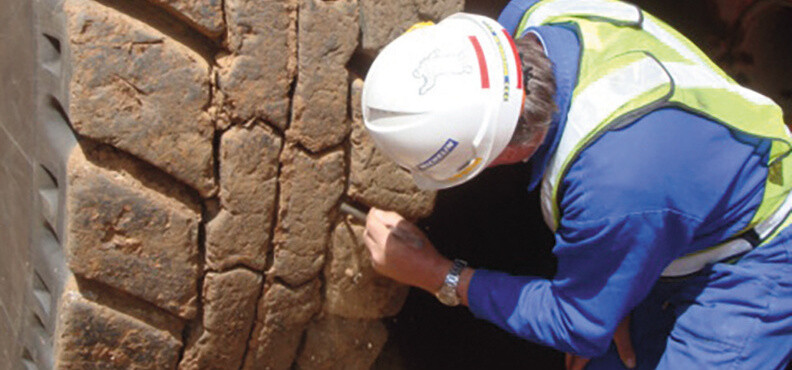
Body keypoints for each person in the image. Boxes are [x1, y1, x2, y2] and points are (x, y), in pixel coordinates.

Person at [360, 0, 792, 368]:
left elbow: (577, 325)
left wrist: (439, 275)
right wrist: (616, 282)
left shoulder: (615, 186)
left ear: (493, 156)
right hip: (682, 203)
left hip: (758, 258)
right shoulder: (540, 13)